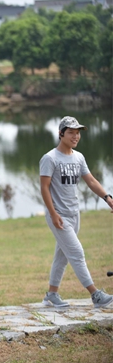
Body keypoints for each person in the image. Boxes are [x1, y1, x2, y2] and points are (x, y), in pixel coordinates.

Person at [39, 116, 113, 309]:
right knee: (77, 253)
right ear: (61, 134)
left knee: (62, 256)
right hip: (59, 215)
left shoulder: (78, 157)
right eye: (71, 132)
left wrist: (107, 198)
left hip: (74, 214)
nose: (75, 136)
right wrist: (53, 213)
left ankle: (51, 295)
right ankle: (95, 294)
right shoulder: (50, 158)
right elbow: (44, 188)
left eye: (78, 132)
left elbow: (91, 181)